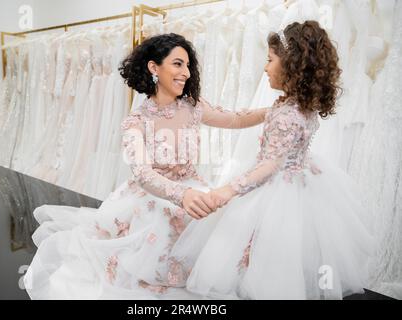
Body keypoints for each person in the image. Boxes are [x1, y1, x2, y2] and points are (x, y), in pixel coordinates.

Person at [23, 33, 268, 299]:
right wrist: (180, 195)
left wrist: (275, 110)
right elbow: (142, 173)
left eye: (188, 65)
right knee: (162, 239)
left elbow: (235, 119)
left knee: (224, 229)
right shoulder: (135, 122)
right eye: (177, 64)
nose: (186, 72)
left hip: (193, 187)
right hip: (152, 197)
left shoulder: (193, 107)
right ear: (154, 67)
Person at [170, 21, 375, 300]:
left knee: (264, 256)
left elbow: (269, 166)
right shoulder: (297, 105)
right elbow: (258, 124)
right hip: (301, 180)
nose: (265, 68)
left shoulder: (288, 113)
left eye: (269, 60)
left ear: (292, 65)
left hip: (277, 188)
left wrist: (227, 191)